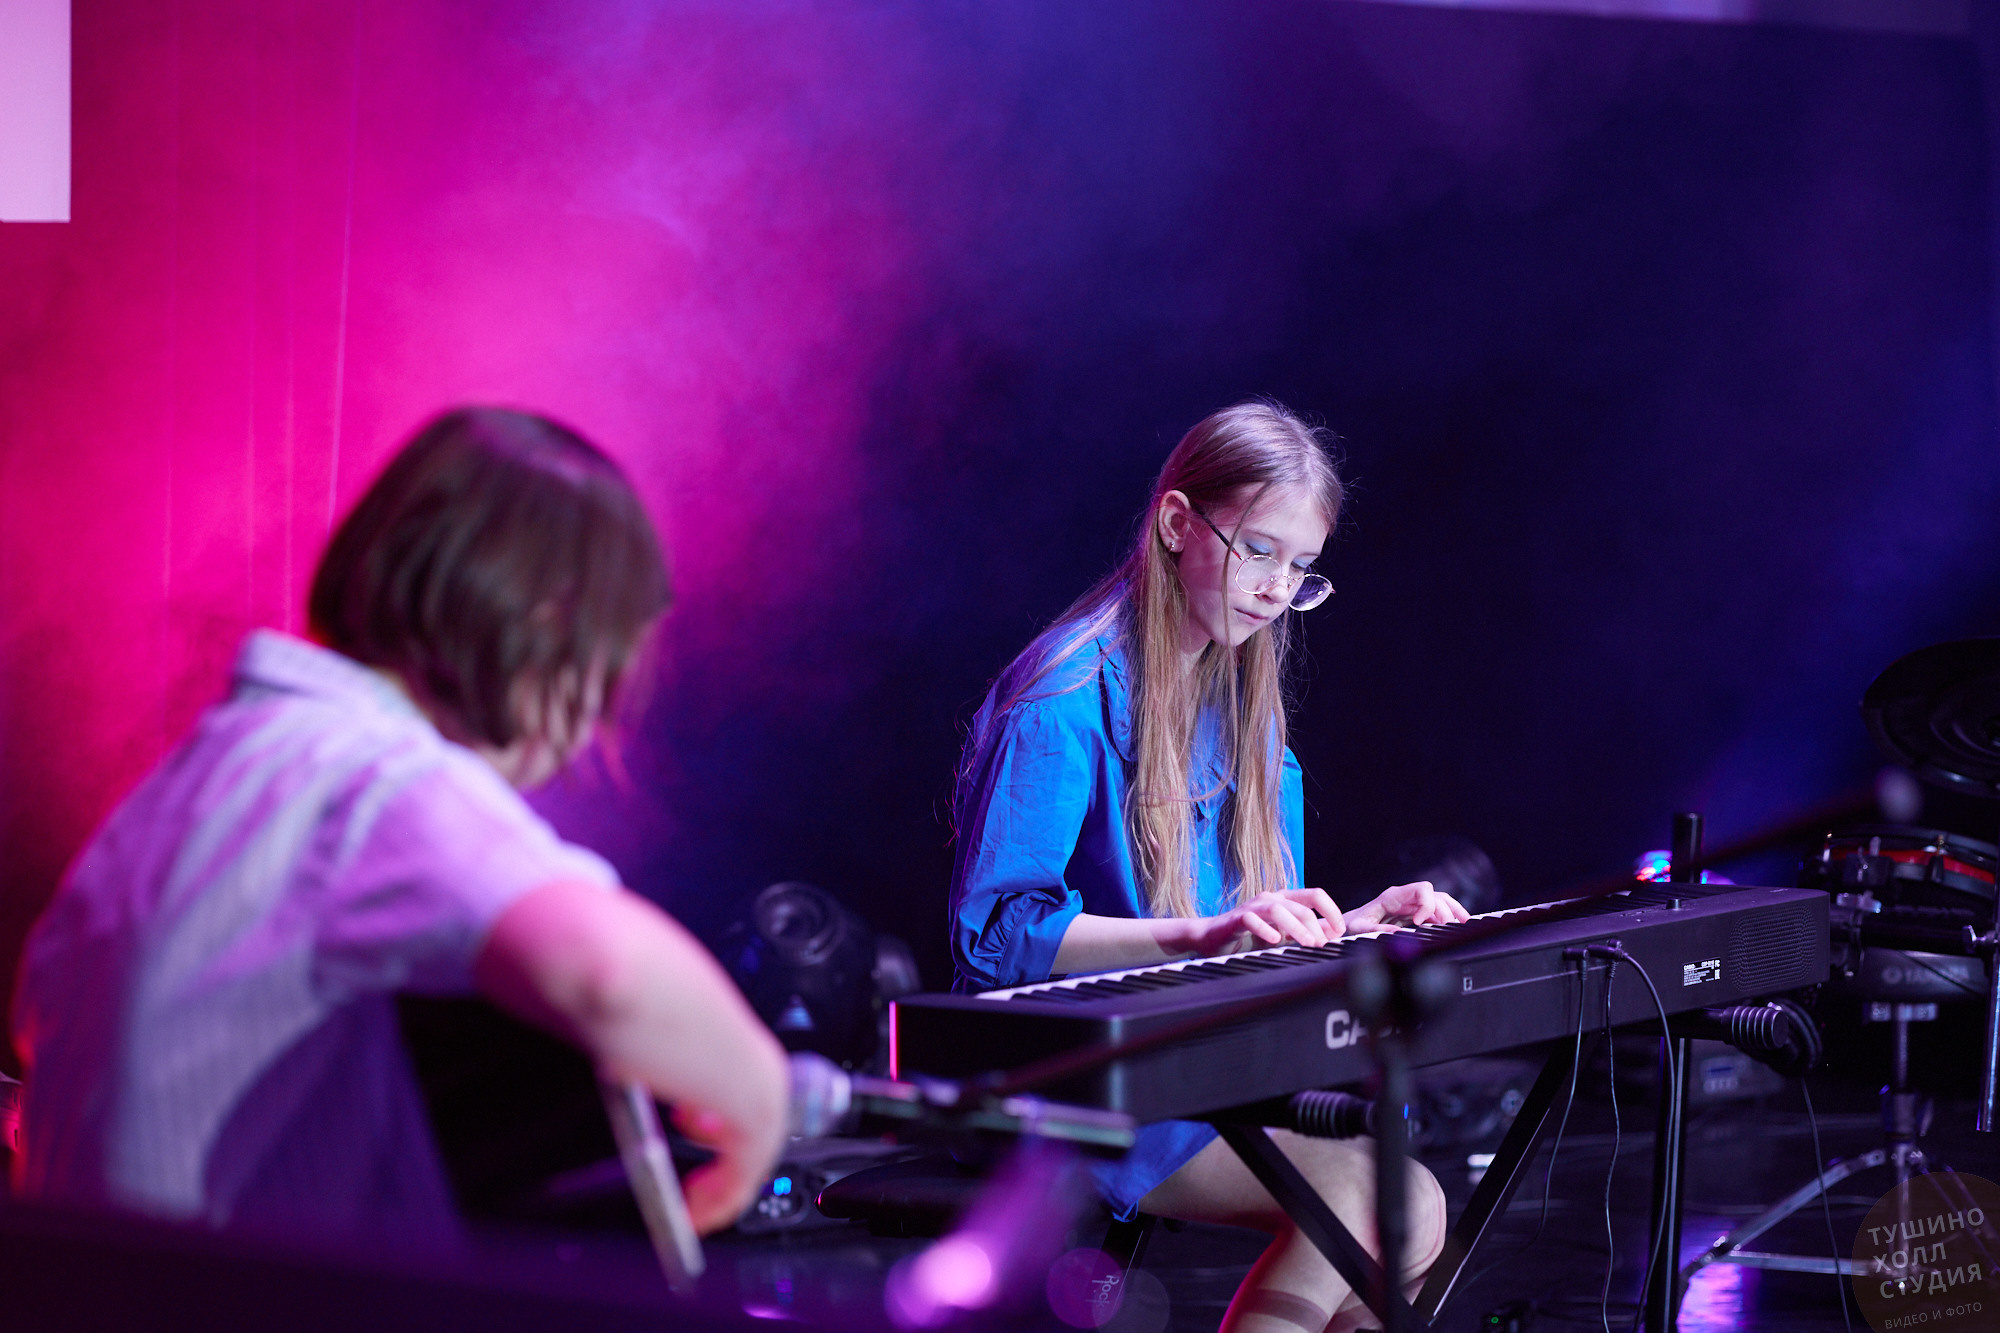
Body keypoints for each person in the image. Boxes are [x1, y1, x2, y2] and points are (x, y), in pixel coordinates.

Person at [10, 407, 788, 1249]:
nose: (581, 737)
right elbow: (606, 970)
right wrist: (756, 1085)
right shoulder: (368, 777)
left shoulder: (189, 788)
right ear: (545, 621)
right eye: (602, 669)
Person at [950, 400, 1468, 1333]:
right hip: (1077, 1090)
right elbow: (998, 943)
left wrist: (1354, 925)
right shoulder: (1062, 696)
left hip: (1195, 1068)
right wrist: (1203, 934)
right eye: (1259, 550)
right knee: (1373, 1200)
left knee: (1412, 1203)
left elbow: (1250, 925)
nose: (1277, 588)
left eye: (1301, 568)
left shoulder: (1243, 703)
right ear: (1178, 523)